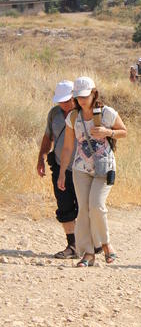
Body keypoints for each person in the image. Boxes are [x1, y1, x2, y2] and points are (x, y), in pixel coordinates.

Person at [58, 76, 127, 268]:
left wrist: (108, 132)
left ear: (93, 94)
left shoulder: (107, 113)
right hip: (80, 169)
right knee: (84, 210)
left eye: (84, 96)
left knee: (96, 205)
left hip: (104, 166)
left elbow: (124, 131)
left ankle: (106, 245)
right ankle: (88, 253)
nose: (81, 100)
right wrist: (62, 172)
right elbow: (67, 147)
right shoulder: (72, 117)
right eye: (78, 97)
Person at [37, 81, 79, 259]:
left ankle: (93, 243)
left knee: (86, 207)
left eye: (67, 100)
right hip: (61, 167)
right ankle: (73, 245)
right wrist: (41, 157)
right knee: (64, 206)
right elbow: (48, 137)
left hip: (83, 169)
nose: (63, 104)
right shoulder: (54, 114)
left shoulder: (84, 113)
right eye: (60, 101)